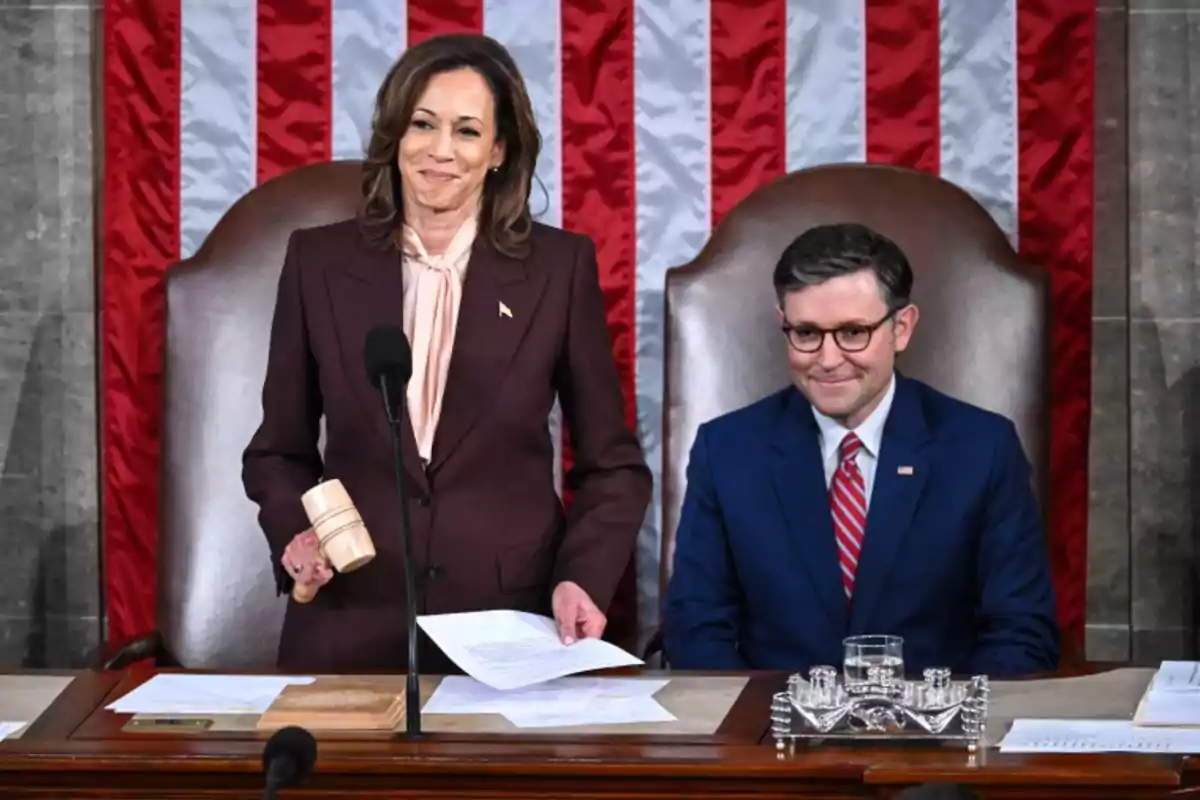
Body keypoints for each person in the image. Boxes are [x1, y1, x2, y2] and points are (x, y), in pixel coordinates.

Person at [242, 34, 651, 672]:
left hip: (506, 625)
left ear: (498, 150)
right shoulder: (317, 262)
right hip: (349, 617)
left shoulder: (558, 268)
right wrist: (296, 536)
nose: (440, 150)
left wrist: (583, 577)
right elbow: (277, 451)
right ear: (394, 137)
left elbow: (612, 468)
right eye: (422, 124)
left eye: (466, 131)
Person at [662, 222, 1060, 676]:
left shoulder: (982, 449)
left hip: (931, 734)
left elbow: (1021, 632)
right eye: (807, 333)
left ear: (902, 328)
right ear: (783, 325)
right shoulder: (728, 450)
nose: (828, 360)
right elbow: (695, 629)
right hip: (773, 733)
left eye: (853, 332)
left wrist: (935, 725)